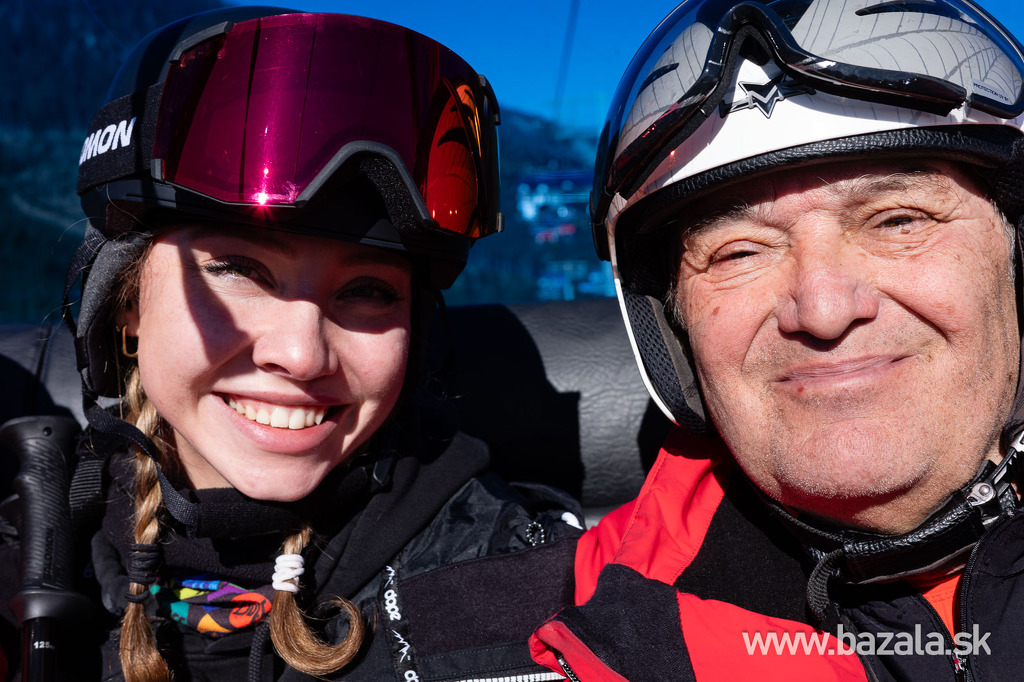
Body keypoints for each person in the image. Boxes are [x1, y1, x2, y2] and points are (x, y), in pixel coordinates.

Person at [0, 7, 583, 681]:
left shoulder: (515, 586)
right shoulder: (33, 548)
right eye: (241, 272)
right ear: (126, 306)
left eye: (367, 290)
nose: (303, 355)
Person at [528, 0, 1024, 680]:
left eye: (898, 220)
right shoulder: (542, 637)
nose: (822, 311)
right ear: (673, 328)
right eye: (738, 252)